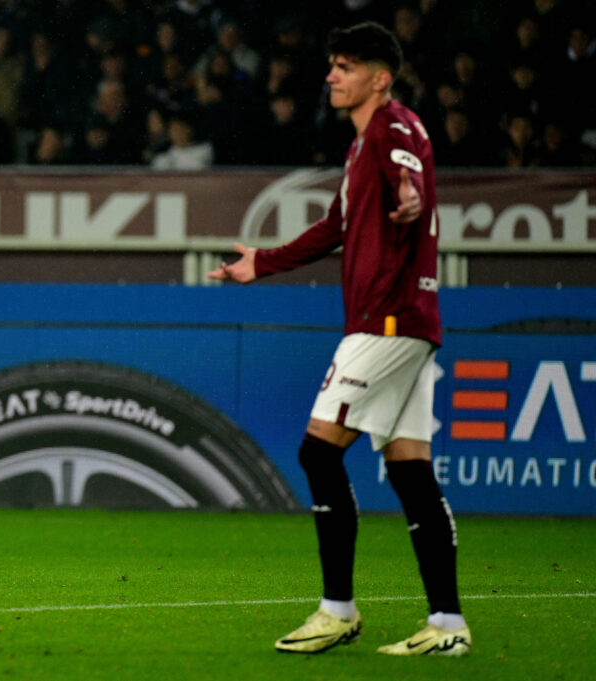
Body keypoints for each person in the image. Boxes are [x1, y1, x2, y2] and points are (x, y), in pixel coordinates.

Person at [208, 22, 470, 657]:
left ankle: (338, 611)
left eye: (345, 66)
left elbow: (409, 176)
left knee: (318, 454)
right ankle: (447, 625)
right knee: (409, 469)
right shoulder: (365, 144)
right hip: (406, 322)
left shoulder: (391, 128)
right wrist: (263, 262)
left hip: (387, 320)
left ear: (380, 78)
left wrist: (410, 197)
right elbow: (336, 225)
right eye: (332, 64)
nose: (331, 75)